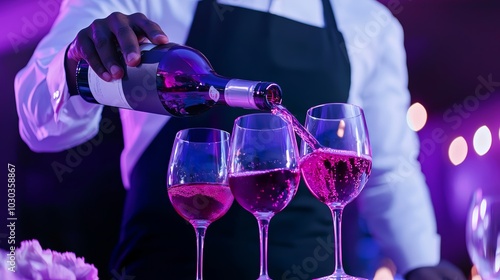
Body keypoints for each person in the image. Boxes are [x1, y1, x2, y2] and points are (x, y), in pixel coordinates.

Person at [15, 0, 466, 279]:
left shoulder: (369, 21)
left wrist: (418, 262)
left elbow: (388, 168)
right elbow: (38, 125)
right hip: (161, 268)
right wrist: (75, 65)